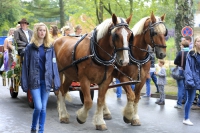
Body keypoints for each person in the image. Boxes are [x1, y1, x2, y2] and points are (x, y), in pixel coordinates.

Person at [21, 22, 61, 133]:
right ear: (36, 32)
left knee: (43, 108)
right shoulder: (30, 47)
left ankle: (40, 130)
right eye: (40, 30)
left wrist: (56, 81)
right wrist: (24, 83)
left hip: (46, 81)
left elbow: (54, 65)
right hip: (34, 81)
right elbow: (25, 66)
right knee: (38, 107)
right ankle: (33, 126)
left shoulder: (50, 47)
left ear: (46, 32)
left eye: (44, 30)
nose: (42, 32)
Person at [183, 36, 200, 126]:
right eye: (198, 41)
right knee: (190, 100)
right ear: (195, 43)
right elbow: (188, 69)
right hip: (193, 80)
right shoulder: (191, 54)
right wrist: (190, 81)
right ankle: (186, 118)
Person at [173, 38, 190, 109]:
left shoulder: (181, 53)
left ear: (183, 46)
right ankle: (187, 103)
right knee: (186, 88)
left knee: (180, 88)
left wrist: (180, 63)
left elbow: (175, 62)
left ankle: (179, 104)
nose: (180, 46)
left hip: (180, 71)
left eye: (181, 45)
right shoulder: (190, 53)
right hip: (188, 72)